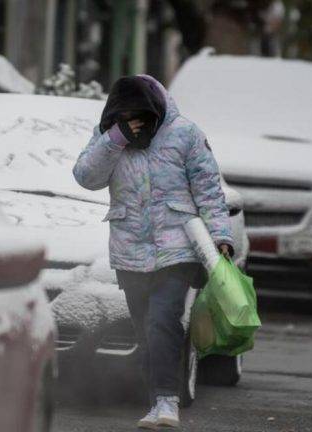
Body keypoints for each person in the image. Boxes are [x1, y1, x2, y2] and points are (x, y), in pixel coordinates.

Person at [72, 75, 233, 429]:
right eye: (124, 116)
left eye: (139, 116)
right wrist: (115, 139)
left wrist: (221, 235)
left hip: (177, 247)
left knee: (163, 321)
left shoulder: (185, 134)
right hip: (129, 247)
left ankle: (167, 401)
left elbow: (208, 189)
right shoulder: (109, 134)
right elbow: (85, 176)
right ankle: (155, 402)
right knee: (145, 331)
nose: (133, 122)